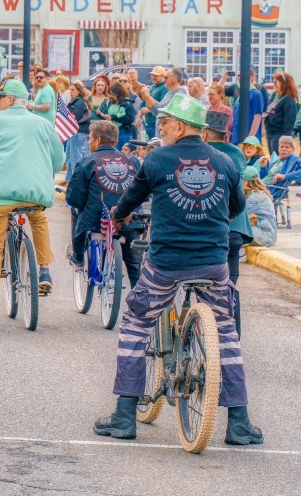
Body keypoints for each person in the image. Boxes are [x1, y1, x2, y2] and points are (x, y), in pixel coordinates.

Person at [96, 94, 262, 446]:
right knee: (227, 333)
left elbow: (131, 198)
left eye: (165, 123)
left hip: (166, 264)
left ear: (182, 126)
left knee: (136, 325)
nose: (161, 128)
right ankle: (239, 424)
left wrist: (119, 215)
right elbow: (236, 206)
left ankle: (125, 416)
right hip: (213, 263)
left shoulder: (156, 160)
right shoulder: (225, 162)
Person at [0, 79, 64, 325]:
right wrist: (46, 170)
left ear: (9, 99)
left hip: (0, 196)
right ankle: (44, 270)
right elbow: (58, 158)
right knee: (39, 219)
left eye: (0, 97)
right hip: (34, 193)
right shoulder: (42, 123)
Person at [65, 121, 142, 285]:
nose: (88, 142)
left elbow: (74, 198)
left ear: (98, 140)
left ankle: (78, 256)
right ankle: (141, 302)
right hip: (129, 220)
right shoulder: (133, 161)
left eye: (90, 138)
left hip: (95, 221)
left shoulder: (87, 161)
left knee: (74, 209)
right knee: (135, 266)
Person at [202, 110, 252, 338]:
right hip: (235, 227)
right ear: (225, 134)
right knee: (230, 283)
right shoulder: (236, 153)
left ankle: (205, 325)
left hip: (210, 228)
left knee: (204, 281)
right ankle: (233, 332)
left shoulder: (204, 154)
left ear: (204, 132)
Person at [64, 81, 93, 183]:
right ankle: (69, 180)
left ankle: (76, 182)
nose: (70, 92)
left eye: (73, 90)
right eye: (70, 90)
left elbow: (76, 117)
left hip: (79, 132)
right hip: (73, 132)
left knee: (75, 158)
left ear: (79, 91)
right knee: (68, 158)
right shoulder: (73, 101)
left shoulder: (80, 102)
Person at [263, 72, 298, 155]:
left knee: (277, 157)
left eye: (277, 81)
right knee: (272, 157)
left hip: (279, 133)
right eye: (274, 81)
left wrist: (285, 139)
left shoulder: (288, 100)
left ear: (284, 84)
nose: (274, 84)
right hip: (270, 131)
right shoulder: (274, 95)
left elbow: (289, 121)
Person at [229, 68, 266, 144]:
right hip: (236, 138)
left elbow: (257, 118)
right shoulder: (242, 94)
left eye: (242, 76)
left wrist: (249, 139)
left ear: (251, 77)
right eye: (238, 76)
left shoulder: (256, 94)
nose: (239, 78)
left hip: (248, 140)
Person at [243, 167, 276, 248]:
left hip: (262, 237)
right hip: (270, 236)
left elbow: (239, 217)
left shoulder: (253, 198)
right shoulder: (260, 193)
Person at [261, 135, 301, 202]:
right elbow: (265, 177)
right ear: (278, 148)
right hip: (260, 187)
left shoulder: (293, 159)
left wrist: (284, 176)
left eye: (287, 147)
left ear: (293, 149)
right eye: (282, 147)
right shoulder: (276, 161)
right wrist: (263, 167)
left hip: (271, 190)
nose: (283, 149)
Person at [101, 81, 137, 150]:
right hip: (112, 131)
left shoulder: (127, 103)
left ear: (118, 93)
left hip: (123, 132)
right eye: (110, 94)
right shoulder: (111, 103)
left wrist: (113, 117)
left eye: (113, 94)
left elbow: (130, 119)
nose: (111, 96)